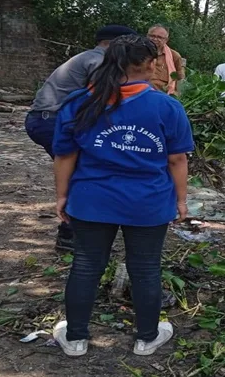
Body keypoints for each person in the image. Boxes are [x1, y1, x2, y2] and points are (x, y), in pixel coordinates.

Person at [50, 34, 194, 357]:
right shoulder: (167, 107)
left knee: (86, 265)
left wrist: (62, 196)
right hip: (149, 202)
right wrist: (181, 200)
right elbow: (177, 159)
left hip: (91, 199)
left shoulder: (81, 102)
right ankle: (147, 338)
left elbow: (65, 156)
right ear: (153, 65)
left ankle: (74, 339)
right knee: (145, 268)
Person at [26, 24, 137, 252]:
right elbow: (100, 99)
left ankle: (76, 234)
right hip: (52, 120)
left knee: (79, 169)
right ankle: (70, 236)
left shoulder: (87, 57)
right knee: (80, 171)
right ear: (116, 45)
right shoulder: (99, 62)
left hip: (45, 118)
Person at [147, 25, 185, 94]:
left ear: (166, 40)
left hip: (163, 95)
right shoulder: (139, 52)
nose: (155, 39)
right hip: (140, 93)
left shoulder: (174, 56)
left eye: (159, 37)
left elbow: (180, 78)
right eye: (152, 36)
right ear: (147, 36)